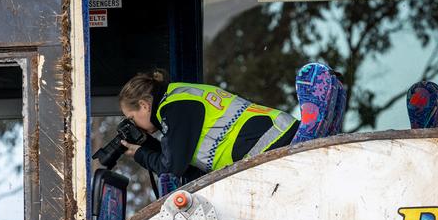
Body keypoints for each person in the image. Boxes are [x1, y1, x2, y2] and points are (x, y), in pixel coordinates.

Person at [118, 63, 346, 180]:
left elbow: (171, 167)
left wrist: (140, 154)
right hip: (278, 140)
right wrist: (150, 147)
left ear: (145, 106)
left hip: (272, 148)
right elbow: (187, 168)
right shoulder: (179, 97)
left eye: (132, 118)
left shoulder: (172, 108)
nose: (135, 124)